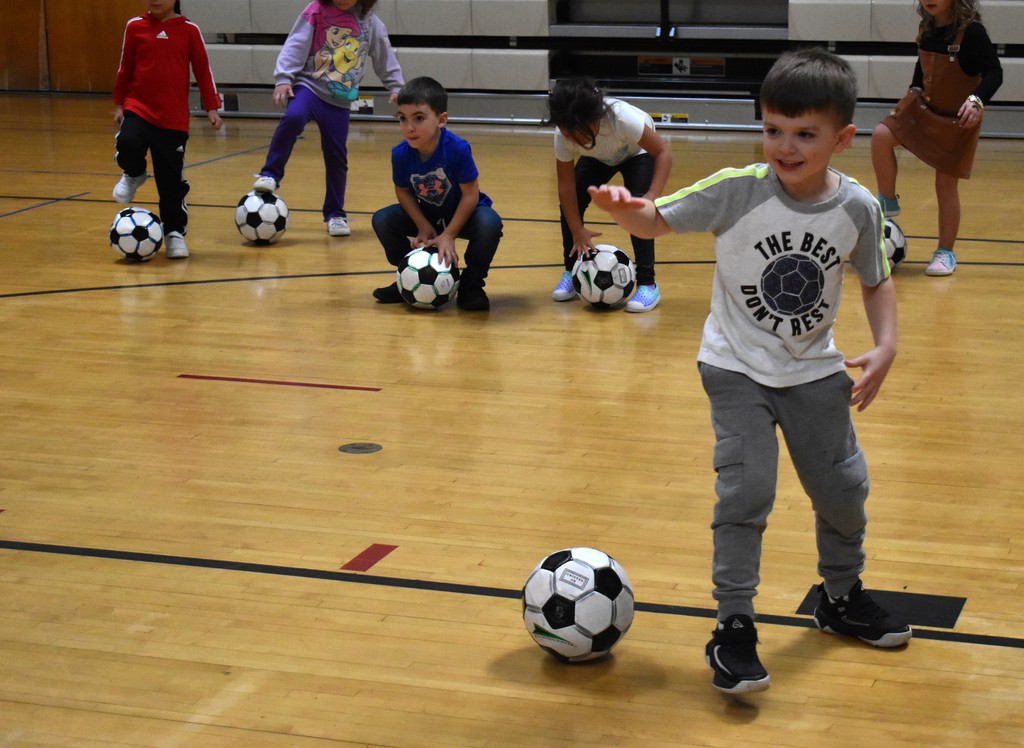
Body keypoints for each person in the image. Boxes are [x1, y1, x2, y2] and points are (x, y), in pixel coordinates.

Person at [589, 49, 912, 693]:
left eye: (804, 134)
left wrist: (886, 345)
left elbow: (876, 282)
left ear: (842, 138)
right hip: (734, 367)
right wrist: (626, 210)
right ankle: (733, 624)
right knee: (748, 492)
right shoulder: (738, 190)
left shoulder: (857, 209)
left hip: (815, 370)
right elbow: (658, 219)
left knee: (844, 488)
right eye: (772, 130)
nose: (784, 147)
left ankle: (839, 596)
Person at [871, 0, 1002, 276]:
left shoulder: (973, 32)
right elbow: (922, 67)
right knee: (881, 135)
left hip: (958, 119)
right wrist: (914, 88)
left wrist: (977, 100)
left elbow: (995, 72)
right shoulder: (927, 28)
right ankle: (887, 199)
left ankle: (945, 252)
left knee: (945, 185)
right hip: (923, 108)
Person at [252, 0, 403, 237]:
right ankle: (270, 174)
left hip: (339, 100)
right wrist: (284, 78)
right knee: (293, 118)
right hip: (308, 86)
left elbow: (384, 54)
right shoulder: (316, 11)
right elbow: (295, 43)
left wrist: (395, 85)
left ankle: (335, 214)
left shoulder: (370, 23)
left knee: (336, 155)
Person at [371, 77, 503, 312]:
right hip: (429, 215)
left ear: (441, 120)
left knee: (489, 224)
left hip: (463, 214)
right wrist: (422, 225)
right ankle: (408, 279)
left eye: (419, 118)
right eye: (402, 118)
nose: (409, 127)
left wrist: (449, 234)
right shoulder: (400, 154)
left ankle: (471, 286)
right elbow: (402, 190)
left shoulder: (457, 149)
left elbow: (471, 195)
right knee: (383, 219)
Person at [544, 78, 673, 312]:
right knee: (571, 204)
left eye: (579, 134)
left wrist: (652, 196)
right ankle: (572, 270)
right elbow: (566, 188)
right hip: (599, 158)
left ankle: (647, 283)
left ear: (594, 119)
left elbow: (664, 152)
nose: (573, 140)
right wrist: (577, 230)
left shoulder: (622, 119)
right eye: (568, 134)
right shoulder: (564, 132)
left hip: (637, 153)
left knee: (638, 210)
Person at [112, 0, 222, 260]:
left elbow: (203, 70)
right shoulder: (135, 27)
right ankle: (134, 173)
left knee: (170, 181)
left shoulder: (189, 31)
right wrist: (119, 103)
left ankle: (174, 232)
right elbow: (124, 67)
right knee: (128, 142)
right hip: (138, 107)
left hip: (172, 119)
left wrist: (212, 107)